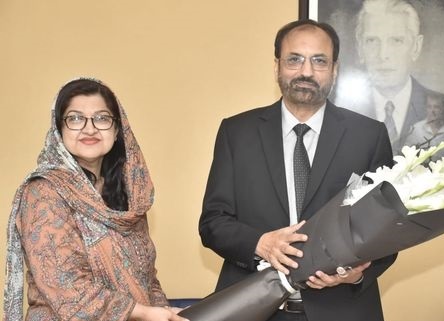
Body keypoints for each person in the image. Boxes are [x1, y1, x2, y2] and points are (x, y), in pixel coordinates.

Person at [199, 19, 396, 321]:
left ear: (335, 69)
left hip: (342, 310)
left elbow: (388, 231)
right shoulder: (237, 132)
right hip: (254, 310)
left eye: (319, 61)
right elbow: (213, 222)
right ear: (277, 66)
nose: (306, 71)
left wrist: (354, 275)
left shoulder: (369, 136)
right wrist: (260, 244)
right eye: (295, 59)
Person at [3, 78, 187, 321]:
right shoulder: (44, 193)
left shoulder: (130, 197)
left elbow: (146, 277)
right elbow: (64, 284)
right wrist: (142, 313)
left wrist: (164, 312)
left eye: (101, 118)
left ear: (117, 129)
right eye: (76, 118)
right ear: (59, 130)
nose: (89, 129)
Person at [347, 0, 444, 154]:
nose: (383, 55)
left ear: (416, 47)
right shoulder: (336, 113)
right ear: (360, 48)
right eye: (372, 41)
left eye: (396, 41)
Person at [404, 94, 444, 161]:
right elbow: (406, 155)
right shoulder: (416, 129)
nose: (432, 111)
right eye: (429, 107)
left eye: (436, 107)